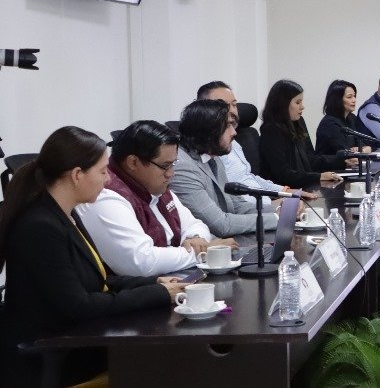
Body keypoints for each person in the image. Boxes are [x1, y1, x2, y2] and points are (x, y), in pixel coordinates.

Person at [0, 127, 186, 386]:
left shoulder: (67, 214)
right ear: (77, 175)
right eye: (102, 171)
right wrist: (157, 294)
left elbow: (98, 279)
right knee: (167, 363)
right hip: (54, 356)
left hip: (77, 340)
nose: (108, 180)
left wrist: (154, 283)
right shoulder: (40, 226)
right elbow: (80, 304)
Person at [78, 120, 237, 277]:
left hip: (174, 281)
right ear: (133, 162)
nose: (171, 173)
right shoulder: (106, 196)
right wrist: (203, 252)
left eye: (173, 164)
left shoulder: (155, 185)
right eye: (165, 166)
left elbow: (194, 224)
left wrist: (195, 238)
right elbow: (141, 262)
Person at [171, 98, 280, 238]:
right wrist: (277, 219)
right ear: (209, 131)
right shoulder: (182, 167)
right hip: (211, 246)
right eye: (228, 126)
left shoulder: (213, 155)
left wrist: (281, 210)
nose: (234, 132)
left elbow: (237, 206)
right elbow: (222, 224)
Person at [197, 81, 313, 200]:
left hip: (264, 204)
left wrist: (286, 191)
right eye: (223, 105)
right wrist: (275, 206)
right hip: (256, 208)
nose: (232, 111)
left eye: (234, 104)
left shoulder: (233, 142)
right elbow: (232, 201)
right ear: (204, 110)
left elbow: (249, 178)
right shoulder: (208, 151)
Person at [259, 79, 351, 188]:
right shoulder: (271, 131)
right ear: (283, 104)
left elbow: (310, 159)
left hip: (305, 185)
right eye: (298, 102)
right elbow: (283, 173)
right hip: (286, 191)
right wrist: (318, 177)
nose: (302, 106)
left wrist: (342, 160)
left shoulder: (298, 122)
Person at [315, 79, 376, 155]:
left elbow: (364, 145)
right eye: (349, 97)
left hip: (350, 162)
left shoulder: (351, 118)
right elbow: (346, 152)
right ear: (337, 99)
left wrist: (363, 150)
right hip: (332, 162)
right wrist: (362, 150)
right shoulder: (329, 124)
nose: (354, 100)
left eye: (354, 96)